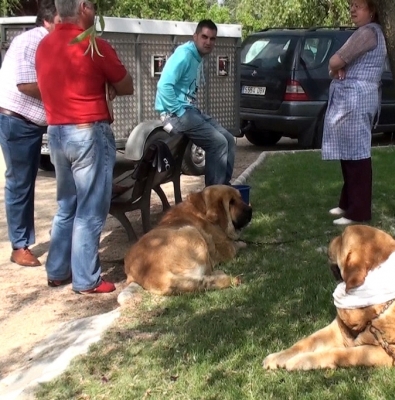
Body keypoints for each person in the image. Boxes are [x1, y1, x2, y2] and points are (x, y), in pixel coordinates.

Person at [35, 0, 134, 293]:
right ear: (83, 8)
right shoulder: (94, 45)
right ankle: (86, 279)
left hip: (56, 133)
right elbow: (127, 84)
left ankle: (57, 270)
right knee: (90, 210)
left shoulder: (44, 46)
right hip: (88, 133)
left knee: (67, 205)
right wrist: (109, 86)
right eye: (91, 5)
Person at [0, 0, 60, 267]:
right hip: (18, 122)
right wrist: (63, 96)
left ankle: (26, 240)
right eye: (61, 22)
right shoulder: (33, 41)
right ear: (47, 21)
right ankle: (20, 246)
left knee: (26, 181)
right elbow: (25, 84)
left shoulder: (45, 42)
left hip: (29, 123)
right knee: (20, 183)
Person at [321, 0, 387, 225]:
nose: (352, 9)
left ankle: (358, 211)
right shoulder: (366, 32)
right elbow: (334, 67)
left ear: (372, 10)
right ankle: (347, 202)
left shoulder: (367, 33)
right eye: (351, 5)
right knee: (349, 152)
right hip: (354, 97)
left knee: (357, 155)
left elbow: (335, 60)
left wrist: (336, 66)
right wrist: (335, 68)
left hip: (357, 98)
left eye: (358, 5)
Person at [155, 19, 235, 187]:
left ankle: (224, 188)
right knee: (218, 143)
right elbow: (163, 85)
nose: (208, 42)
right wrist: (179, 111)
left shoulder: (198, 57)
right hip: (175, 114)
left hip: (189, 111)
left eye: (212, 39)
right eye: (204, 37)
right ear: (195, 36)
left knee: (228, 139)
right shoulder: (184, 55)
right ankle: (214, 199)